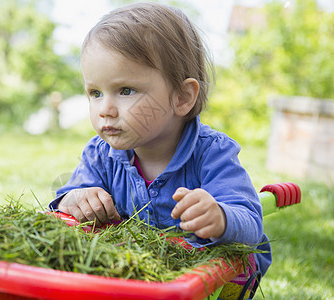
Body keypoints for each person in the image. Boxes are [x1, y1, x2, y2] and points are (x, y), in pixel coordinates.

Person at [49, 2, 271, 297]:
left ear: (182, 97)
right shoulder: (101, 153)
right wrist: (75, 199)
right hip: (134, 272)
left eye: (126, 90)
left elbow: (250, 223)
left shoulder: (211, 153)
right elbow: (67, 201)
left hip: (208, 281)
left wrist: (219, 217)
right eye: (95, 93)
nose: (105, 109)